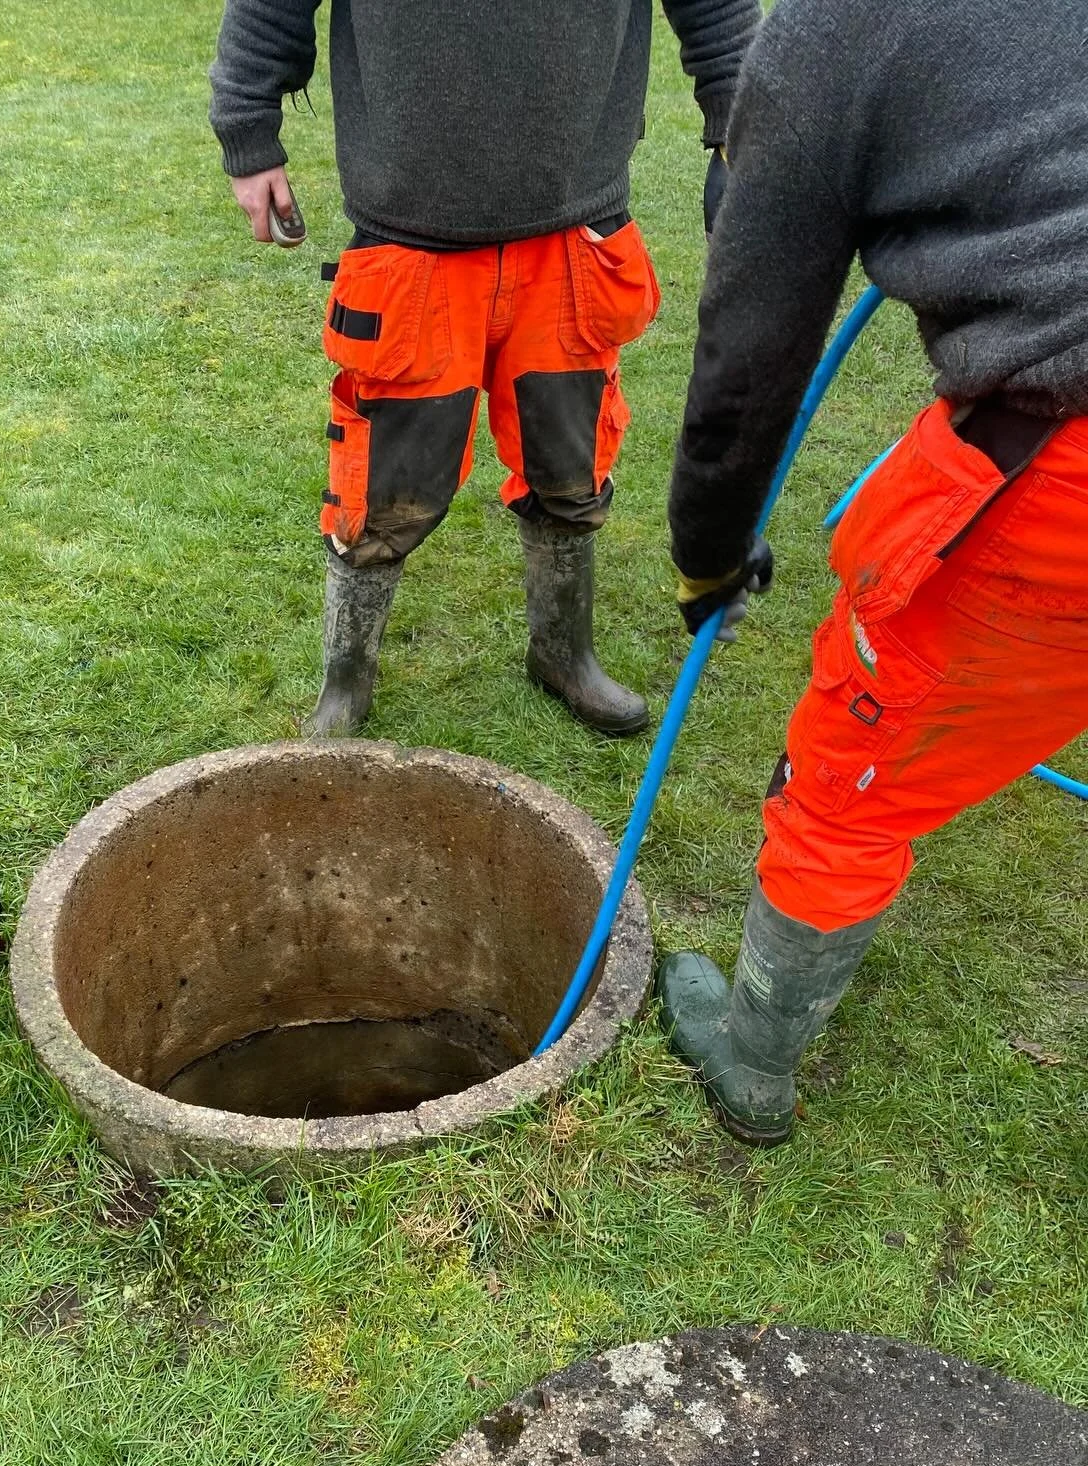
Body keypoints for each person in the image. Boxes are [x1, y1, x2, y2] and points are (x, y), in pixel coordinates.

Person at [658, 0, 1088, 1145]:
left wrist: (707, 556)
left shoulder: (836, 27)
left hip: (1065, 474)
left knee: (853, 775)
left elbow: (749, 355)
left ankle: (752, 1068)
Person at [209, 0, 760, 739]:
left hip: (574, 219)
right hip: (410, 225)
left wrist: (741, 128)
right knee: (382, 485)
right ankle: (345, 684)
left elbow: (717, 7)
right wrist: (250, 134)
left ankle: (564, 654)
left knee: (570, 462)